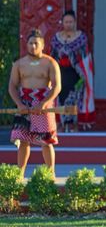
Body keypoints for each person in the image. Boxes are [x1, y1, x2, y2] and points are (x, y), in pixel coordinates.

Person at [9, 29, 61, 178]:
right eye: (30, 43)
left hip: (43, 103)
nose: (33, 46)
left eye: (36, 43)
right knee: (23, 140)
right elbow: (12, 86)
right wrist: (19, 104)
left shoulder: (50, 63)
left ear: (42, 45)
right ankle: (20, 175)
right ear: (27, 45)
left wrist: (44, 103)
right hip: (24, 102)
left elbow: (57, 86)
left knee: (46, 141)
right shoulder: (19, 64)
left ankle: (51, 174)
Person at [50, 10, 95, 132]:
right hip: (61, 73)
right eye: (66, 22)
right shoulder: (56, 39)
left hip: (76, 74)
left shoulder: (81, 38)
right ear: (62, 23)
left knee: (75, 98)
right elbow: (52, 57)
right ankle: (61, 123)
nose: (68, 24)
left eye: (70, 22)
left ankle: (74, 124)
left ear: (74, 22)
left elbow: (85, 57)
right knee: (60, 97)